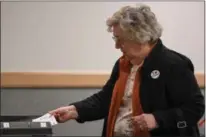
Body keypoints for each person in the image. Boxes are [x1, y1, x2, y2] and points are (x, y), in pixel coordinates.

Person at [49, 4, 205, 137]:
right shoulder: (124, 63)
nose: (117, 46)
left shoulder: (174, 64)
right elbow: (106, 99)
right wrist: (75, 110)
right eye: (115, 39)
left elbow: (194, 108)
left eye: (120, 39)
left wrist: (157, 119)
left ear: (140, 36)